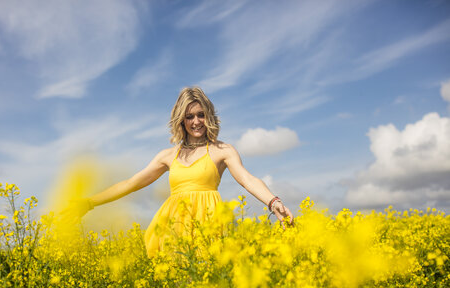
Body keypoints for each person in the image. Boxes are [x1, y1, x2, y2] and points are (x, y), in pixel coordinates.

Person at [64, 87, 294, 257]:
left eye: (201, 115)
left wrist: (273, 202)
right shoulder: (167, 156)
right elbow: (131, 183)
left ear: (209, 117)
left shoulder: (222, 150)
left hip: (209, 228)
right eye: (189, 116)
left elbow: (247, 179)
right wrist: (89, 203)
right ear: (181, 120)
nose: (196, 121)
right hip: (173, 230)